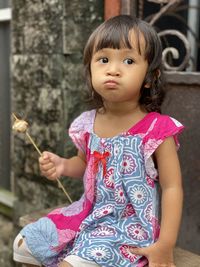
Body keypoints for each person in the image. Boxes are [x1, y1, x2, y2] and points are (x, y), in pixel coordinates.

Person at [13, 15, 184, 267]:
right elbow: (84, 163)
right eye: (103, 59)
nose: (113, 69)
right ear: (90, 69)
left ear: (149, 77)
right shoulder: (87, 124)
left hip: (127, 225)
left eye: (128, 60)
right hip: (89, 212)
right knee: (26, 244)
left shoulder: (156, 130)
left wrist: (165, 245)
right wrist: (62, 165)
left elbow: (172, 188)